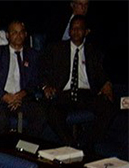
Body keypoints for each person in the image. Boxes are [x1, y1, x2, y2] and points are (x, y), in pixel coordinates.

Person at [41, 16, 114, 153]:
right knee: (51, 109)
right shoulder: (57, 49)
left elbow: (100, 73)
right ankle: (71, 143)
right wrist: (46, 86)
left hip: (85, 93)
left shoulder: (93, 51)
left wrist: (106, 83)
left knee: (108, 107)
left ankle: (86, 142)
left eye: (79, 29)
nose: (75, 31)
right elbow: (43, 71)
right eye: (73, 28)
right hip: (64, 92)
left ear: (86, 32)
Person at [0, 21, 44, 137]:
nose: (18, 36)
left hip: (23, 99)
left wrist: (21, 95)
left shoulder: (33, 55)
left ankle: (26, 148)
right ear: (8, 35)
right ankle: (3, 152)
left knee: (40, 114)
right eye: (14, 32)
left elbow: (35, 81)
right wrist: (5, 96)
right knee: (0, 119)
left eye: (21, 32)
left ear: (25, 35)